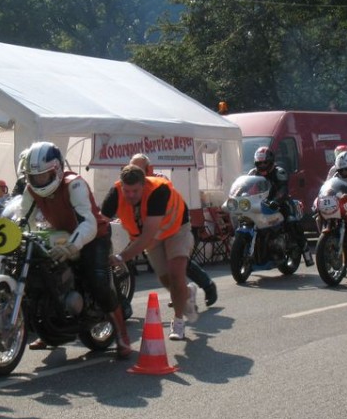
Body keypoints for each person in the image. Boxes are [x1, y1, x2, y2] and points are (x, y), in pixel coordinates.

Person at [19, 141, 132, 359]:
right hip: (59, 235)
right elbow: (22, 217)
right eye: (35, 177)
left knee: (98, 281)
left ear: (57, 170)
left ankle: (121, 335)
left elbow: (88, 223)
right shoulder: (31, 190)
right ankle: (47, 327)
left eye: (44, 175)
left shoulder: (74, 184)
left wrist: (72, 245)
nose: (39, 181)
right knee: (39, 272)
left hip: (92, 236)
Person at [101, 164, 197, 341]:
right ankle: (188, 293)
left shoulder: (158, 191)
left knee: (176, 275)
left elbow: (146, 237)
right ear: (121, 186)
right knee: (164, 278)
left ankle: (178, 323)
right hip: (152, 236)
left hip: (176, 229)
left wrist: (121, 257)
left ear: (143, 185)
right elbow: (100, 223)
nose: (130, 195)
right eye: (127, 191)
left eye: (135, 191)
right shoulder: (114, 193)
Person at [129, 153, 217, 307]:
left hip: (174, 225)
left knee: (179, 261)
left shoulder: (160, 180)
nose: (134, 172)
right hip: (155, 228)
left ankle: (208, 286)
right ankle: (181, 294)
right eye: (132, 168)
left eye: (138, 169)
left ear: (149, 169)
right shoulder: (133, 184)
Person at [248, 147, 313, 267]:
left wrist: (276, 200)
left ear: (271, 161)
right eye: (259, 163)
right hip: (259, 203)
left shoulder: (279, 171)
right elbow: (245, 188)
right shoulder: (252, 173)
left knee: (291, 221)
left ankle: (306, 252)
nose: (262, 166)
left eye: (264, 163)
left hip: (280, 203)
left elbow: (283, 189)